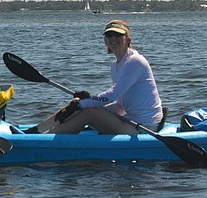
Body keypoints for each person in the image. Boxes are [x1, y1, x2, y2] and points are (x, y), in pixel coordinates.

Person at [26, 19, 165, 134]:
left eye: (118, 35)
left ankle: (46, 138)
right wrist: (84, 104)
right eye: (109, 35)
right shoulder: (116, 65)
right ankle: (37, 130)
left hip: (144, 127)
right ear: (105, 40)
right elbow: (121, 105)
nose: (113, 39)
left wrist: (84, 105)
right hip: (130, 120)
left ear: (128, 39)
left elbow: (113, 95)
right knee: (80, 104)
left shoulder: (135, 61)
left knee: (88, 112)